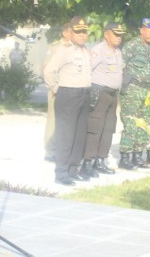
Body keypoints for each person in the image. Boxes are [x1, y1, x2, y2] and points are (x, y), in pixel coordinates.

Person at [43, 16, 92, 186]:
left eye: (84, 32)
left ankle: (73, 169)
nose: (81, 35)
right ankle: (61, 173)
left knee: (79, 135)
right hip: (68, 94)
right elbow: (49, 71)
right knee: (65, 135)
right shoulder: (64, 50)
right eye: (78, 32)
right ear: (70, 32)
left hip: (84, 94)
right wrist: (56, 88)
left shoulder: (86, 51)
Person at [82, 23, 125, 177]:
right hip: (99, 93)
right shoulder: (98, 50)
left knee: (108, 129)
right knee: (95, 128)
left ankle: (101, 160)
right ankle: (88, 163)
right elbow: (87, 70)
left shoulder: (118, 52)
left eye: (120, 35)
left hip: (113, 95)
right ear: (106, 34)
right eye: (115, 34)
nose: (118, 38)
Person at [119, 18, 150, 169]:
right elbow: (120, 65)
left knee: (144, 124)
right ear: (141, 30)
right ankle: (125, 157)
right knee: (130, 123)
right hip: (132, 90)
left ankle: (137, 155)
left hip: (147, 90)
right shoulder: (132, 46)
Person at [42, 23, 72, 162]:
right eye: (72, 31)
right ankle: (50, 151)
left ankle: (64, 150)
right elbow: (45, 68)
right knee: (53, 121)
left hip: (72, 90)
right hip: (57, 90)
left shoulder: (76, 48)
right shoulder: (54, 47)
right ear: (65, 32)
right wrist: (54, 87)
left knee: (69, 122)